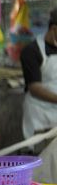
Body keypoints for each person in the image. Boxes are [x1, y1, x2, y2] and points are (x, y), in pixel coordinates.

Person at [20, 8, 57, 140]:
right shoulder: (31, 51)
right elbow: (35, 88)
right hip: (39, 115)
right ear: (54, 29)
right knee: (40, 155)